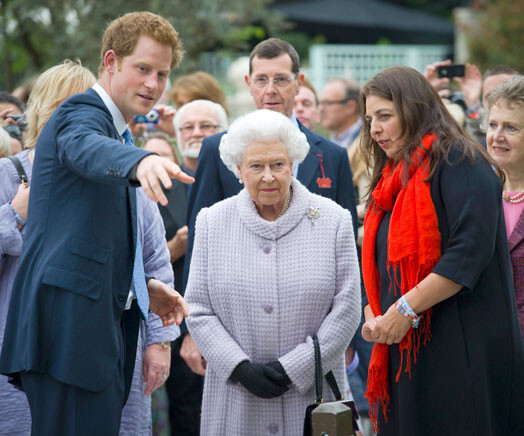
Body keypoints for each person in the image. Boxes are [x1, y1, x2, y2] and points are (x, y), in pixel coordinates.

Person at [0, 12, 191, 435]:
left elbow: (92, 239)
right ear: (110, 61)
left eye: (162, 73)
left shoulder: (114, 131)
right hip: (65, 343)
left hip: (89, 343)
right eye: (143, 68)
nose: (152, 84)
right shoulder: (80, 115)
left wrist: (141, 289)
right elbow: (86, 148)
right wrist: (141, 159)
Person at [360, 66, 524, 435]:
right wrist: (374, 311)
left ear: (414, 109)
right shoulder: (393, 176)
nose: (373, 130)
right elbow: (376, 259)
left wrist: (404, 308)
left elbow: (467, 253)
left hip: (461, 352)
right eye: (370, 119)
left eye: (385, 116)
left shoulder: (461, 162)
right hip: (408, 350)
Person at [185, 109, 361, 435]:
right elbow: (197, 308)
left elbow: (347, 309)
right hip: (236, 398)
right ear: (238, 169)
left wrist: (295, 367)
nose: (268, 176)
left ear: (293, 163)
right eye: (256, 166)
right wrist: (238, 367)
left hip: (312, 396)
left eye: (278, 164)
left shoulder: (333, 220)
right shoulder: (212, 222)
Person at [184, 38, 358, 289]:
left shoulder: (332, 155)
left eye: (281, 79)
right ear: (248, 84)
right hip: (239, 292)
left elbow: (347, 247)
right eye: (262, 79)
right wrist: (190, 318)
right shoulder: (216, 149)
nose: (271, 89)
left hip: (312, 296)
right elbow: (199, 240)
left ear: (299, 84)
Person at [0, 59, 97, 435]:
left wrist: (156, 342)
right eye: (62, 106)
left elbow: (148, 258)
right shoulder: (8, 175)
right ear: (40, 111)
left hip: (87, 351)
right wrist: (15, 213)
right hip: (18, 348)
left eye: (84, 106)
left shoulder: (112, 177)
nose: (73, 118)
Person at [145, 100, 228, 436]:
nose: (197, 134)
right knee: (187, 415)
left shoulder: (243, 180)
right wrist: (175, 248)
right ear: (176, 135)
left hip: (236, 320)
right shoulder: (159, 187)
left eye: (206, 126)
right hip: (178, 323)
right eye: (188, 127)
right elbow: (142, 261)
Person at [486, 75, 524, 338]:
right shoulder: (481, 192)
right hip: (491, 352)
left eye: (510, 128)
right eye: (492, 125)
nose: (497, 136)